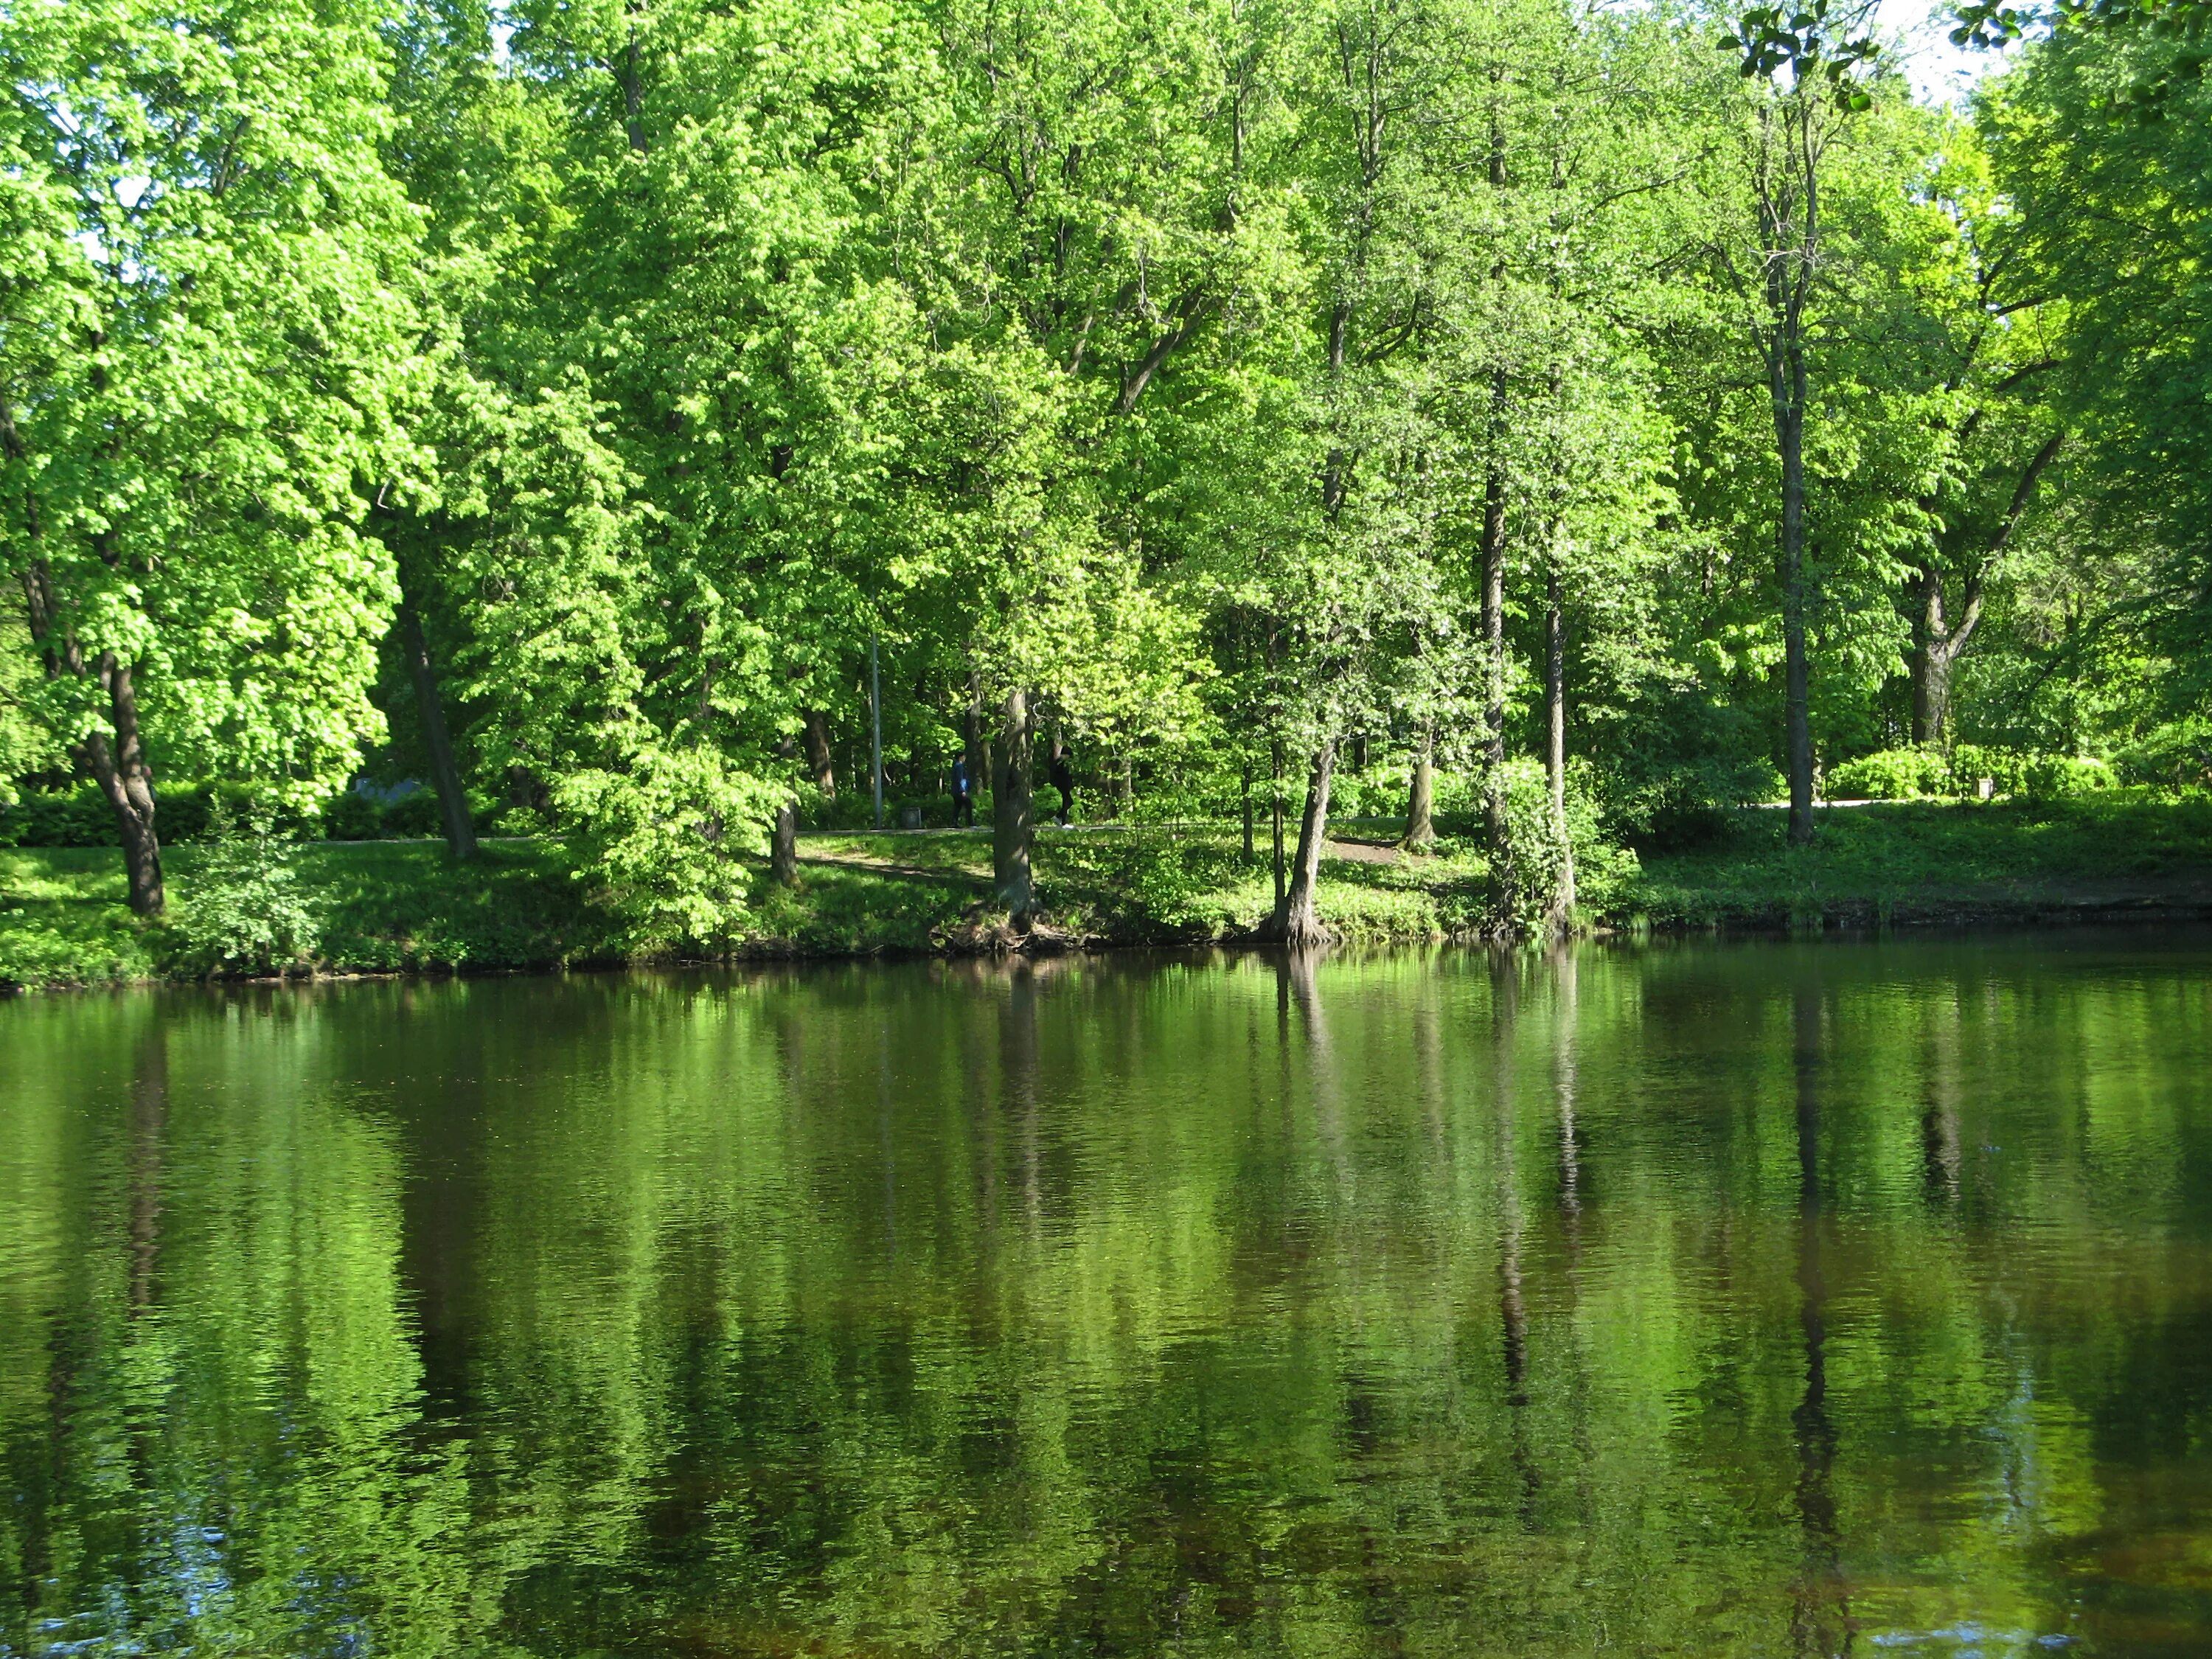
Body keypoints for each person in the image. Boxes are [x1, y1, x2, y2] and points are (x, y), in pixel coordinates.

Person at [1048, 748, 1074, 827]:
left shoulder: (1063, 763)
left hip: (1065, 785)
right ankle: (1063, 822)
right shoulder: (1060, 763)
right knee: (1066, 802)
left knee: (1069, 802)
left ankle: (1058, 817)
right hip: (1062, 785)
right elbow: (1059, 775)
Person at [951, 757, 973, 828]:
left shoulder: (956, 766)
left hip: (955, 791)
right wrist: (962, 790)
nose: (965, 758)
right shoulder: (959, 766)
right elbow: (960, 779)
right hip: (959, 791)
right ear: (961, 757)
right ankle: (970, 822)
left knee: (958, 806)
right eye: (964, 757)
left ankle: (955, 822)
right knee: (968, 804)